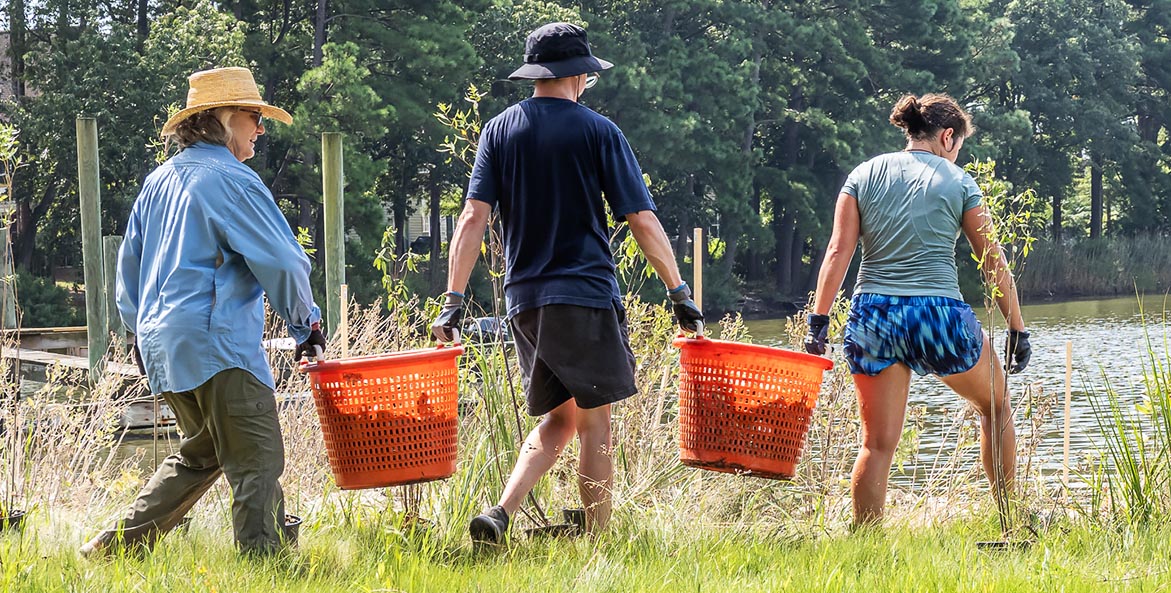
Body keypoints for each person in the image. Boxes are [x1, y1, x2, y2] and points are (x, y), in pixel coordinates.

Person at [430, 22, 703, 543]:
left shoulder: (498, 131)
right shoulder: (599, 132)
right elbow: (641, 221)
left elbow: (472, 219)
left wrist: (454, 301)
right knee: (595, 425)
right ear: (579, 74)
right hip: (584, 296)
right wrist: (678, 292)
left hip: (525, 301)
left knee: (561, 420)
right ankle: (600, 543)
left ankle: (500, 513)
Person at [80, 67, 327, 556]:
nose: (261, 128)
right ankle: (267, 568)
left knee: (203, 453)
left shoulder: (158, 181)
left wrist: (137, 332)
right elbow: (283, 260)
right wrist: (307, 326)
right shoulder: (233, 180)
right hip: (217, 342)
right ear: (222, 118)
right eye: (254, 117)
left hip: (160, 345)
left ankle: (112, 549)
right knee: (256, 457)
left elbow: (127, 269)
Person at [804, 94, 1032, 527]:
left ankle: (866, 546)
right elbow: (992, 262)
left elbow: (838, 251)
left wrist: (818, 322)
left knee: (876, 444)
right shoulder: (960, 181)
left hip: (874, 315)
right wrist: (1016, 327)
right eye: (959, 142)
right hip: (938, 315)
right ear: (947, 136)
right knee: (996, 405)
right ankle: (1011, 522)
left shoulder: (862, 175)